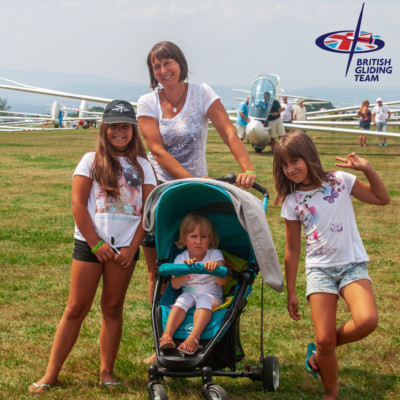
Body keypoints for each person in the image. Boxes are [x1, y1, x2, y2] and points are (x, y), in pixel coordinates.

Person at [28, 100, 157, 393]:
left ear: (133, 130)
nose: (119, 132)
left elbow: (148, 211)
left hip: (124, 250)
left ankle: (106, 372)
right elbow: (77, 205)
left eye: (125, 127)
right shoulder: (90, 160)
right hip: (90, 246)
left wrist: (131, 248)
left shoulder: (144, 166)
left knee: (112, 307)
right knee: (76, 307)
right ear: (104, 129)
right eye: (113, 126)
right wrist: (95, 243)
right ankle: (50, 373)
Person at [136, 41, 257, 310]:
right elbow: (157, 150)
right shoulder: (147, 102)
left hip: (195, 195)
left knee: (202, 261)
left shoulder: (202, 93)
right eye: (156, 66)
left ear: (180, 63)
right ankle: (161, 329)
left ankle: (201, 322)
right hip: (160, 192)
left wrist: (247, 168)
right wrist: (191, 179)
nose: (163, 70)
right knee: (159, 271)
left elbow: (228, 131)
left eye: (167, 63)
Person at [272, 130, 389, 400]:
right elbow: (292, 249)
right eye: (284, 165)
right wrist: (291, 291)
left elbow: (382, 198)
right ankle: (330, 393)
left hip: (352, 266)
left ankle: (321, 352)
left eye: (294, 161)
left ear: (308, 156)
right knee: (324, 339)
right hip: (319, 272)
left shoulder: (341, 180)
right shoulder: (292, 201)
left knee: (367, 321)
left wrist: (367, 169)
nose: (290, 169)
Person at [159, 213, 227, 355]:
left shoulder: (215, 255)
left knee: (203, 299)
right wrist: (184, 270)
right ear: (184, 239)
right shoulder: (181, 258)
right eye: (193, 236)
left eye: (204, 237)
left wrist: (215, 269)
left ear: (210, 239)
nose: (198, 241)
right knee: (182, 299)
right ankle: (166, 335)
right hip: (190, 293)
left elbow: (223, 282)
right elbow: (175, 285)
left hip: (212, 296)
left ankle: (193, 338)